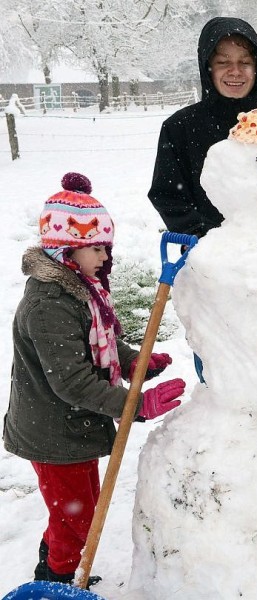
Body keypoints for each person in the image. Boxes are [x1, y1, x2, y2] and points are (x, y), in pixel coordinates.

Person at [3, 173, 185, 585]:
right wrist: (135, 405)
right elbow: (72, 382)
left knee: (75, 511)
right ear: (67, 250)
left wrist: (135, 361)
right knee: (78, 520)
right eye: (98, 247)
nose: (105, 256)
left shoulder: (78, 289)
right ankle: (59, 579)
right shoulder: (49, 305)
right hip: (52, 433)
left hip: (71, 429)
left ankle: (53, 565)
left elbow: (98, 340)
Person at [148, 16, 257, 237]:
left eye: (245, 62)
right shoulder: (180, 127)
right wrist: (206, 237)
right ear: (208, 67)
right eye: (223, 62)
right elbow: (167, 194)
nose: (235, 71)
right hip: (210, 256)